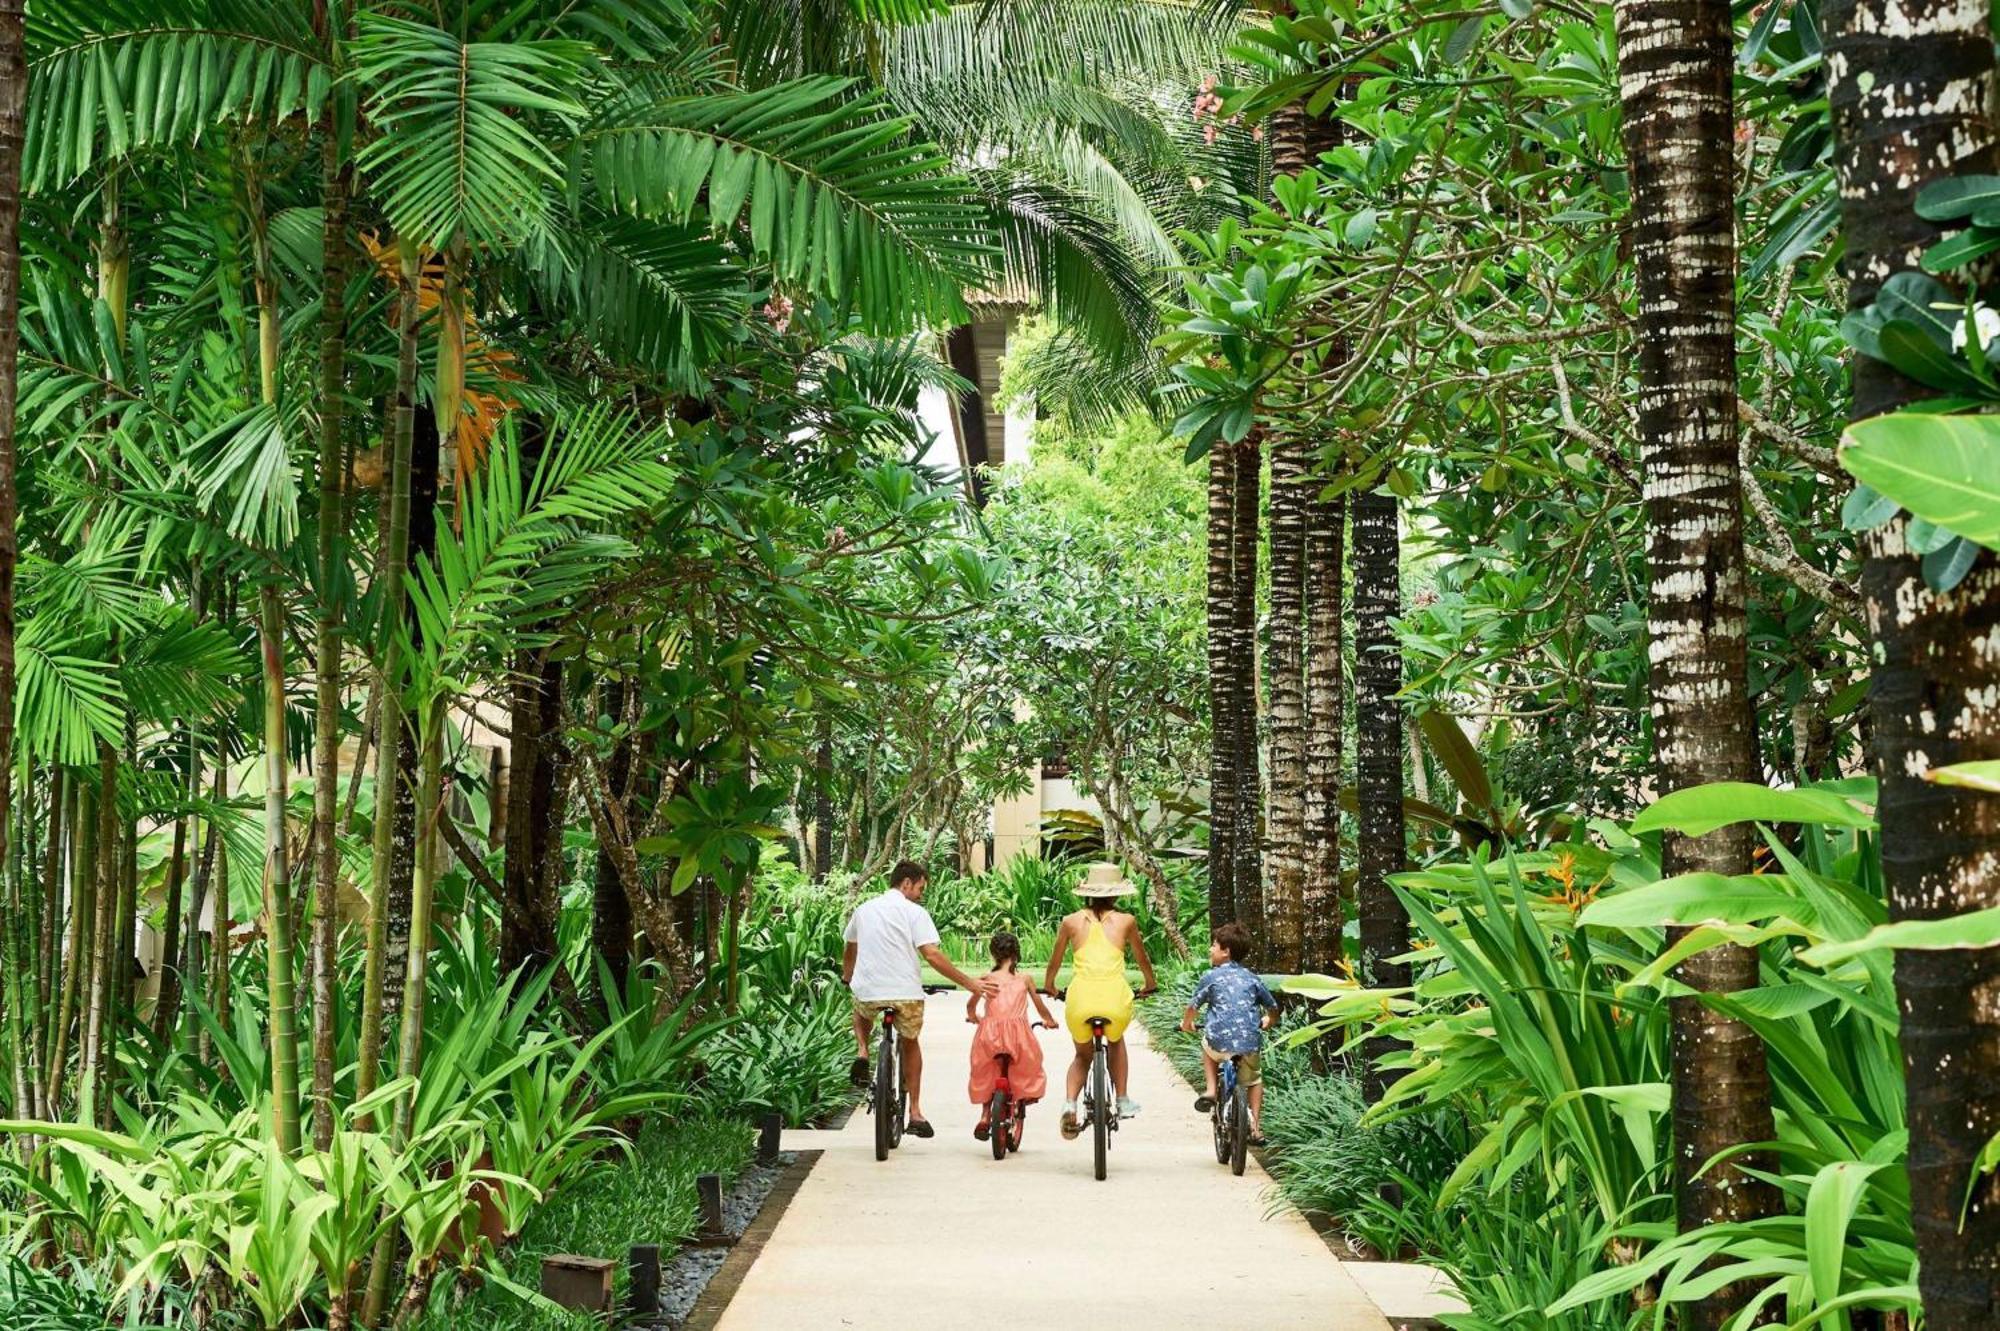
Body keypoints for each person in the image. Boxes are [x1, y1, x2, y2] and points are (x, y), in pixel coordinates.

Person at [842, 860, 997, 1139]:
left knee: (860, 1009)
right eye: (920, 888)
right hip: (906, 994)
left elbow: (850, 948)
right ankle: (914, 1111)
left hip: (869, 991)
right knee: (911, 1042)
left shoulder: (863, 910)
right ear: (906, 883)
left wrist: (847, 976)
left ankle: (863, 1050)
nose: (921, 894)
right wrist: (968, 982)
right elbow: (932, 955)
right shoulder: (915, 913)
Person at [1043, 861, 1156, 1139]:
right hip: (1114, 998)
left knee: (1082, 1057)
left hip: (1080, 998)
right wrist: (1150, 985)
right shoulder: (1126, 921)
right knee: (1115, 1041)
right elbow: (1143, 959)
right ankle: (1122, 1099)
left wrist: (1050, 988)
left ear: (1088, 893)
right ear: (1117, 894)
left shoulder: (1070, 922)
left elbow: (1054, 964)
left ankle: (1069, 1103)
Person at [1181, 921, 1280, 1146]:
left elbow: (1192, 1008)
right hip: (1248, 1044)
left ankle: (1211, 1090)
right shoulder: (1252, 978)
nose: (1210, 949)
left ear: (1225, 952)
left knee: (1207, 1047)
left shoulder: (1211, 976)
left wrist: (1187, 1024)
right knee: (1254, 1080)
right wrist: (1269, 1021)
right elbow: (1272, 1007)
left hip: (1218, 1042)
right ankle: (1255, 1127)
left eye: (1214, 946)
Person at [966, 931, 1057, 1142]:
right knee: (1028, 1065)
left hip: (990, 1034)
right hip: (1018, 1036)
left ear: (993, 955)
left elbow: (971, 1005)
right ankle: (1019, 1100)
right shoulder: (1024, 979)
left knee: (987, 1071)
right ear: (1016, 955)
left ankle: (985, 1115)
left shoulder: (986, 978)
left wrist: (975, 1018)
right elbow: (1039, 1006)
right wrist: (1049, 1020)